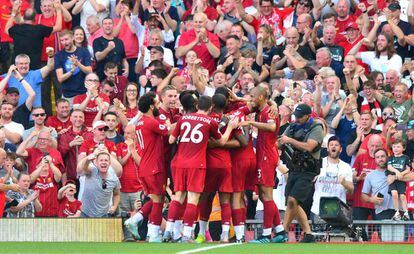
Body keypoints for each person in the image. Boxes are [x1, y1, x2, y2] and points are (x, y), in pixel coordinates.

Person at [163, 96, 237, 243]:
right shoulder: (210, 122)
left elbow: (171, 140)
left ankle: (168, 232)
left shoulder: (183, 119)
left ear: (197, 106)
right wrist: (230, 127)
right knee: (193, 199)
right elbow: (221, 141)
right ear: (210, 108)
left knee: (178, 197)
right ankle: (186, 235)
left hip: (178, 162)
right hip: (196, 163)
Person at [278, 103, 324, 243]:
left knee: (292, 200)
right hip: (294, 168)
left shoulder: (316, 128)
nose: (296, 119)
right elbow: (280, 142)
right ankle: (309, 234)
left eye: (299, 117)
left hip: (308, 170)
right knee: (293, 203)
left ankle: (283, 232)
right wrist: (279, 143)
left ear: (308, 116)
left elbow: (310, 147)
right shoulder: (292, 126)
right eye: (295, 116)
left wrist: (289, 140)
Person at [311, 136, 354, 217]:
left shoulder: (346, 167)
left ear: (340, 149)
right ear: (327, 148)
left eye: (336, 145)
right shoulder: (318, 163)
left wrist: (344, 183)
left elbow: (351, 191)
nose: (333, 146)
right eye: (331, 145)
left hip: (338, 212)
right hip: (317, 210)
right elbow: (309, 181)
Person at [77, 150, 121, 218]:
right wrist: (87, 160)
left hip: (104, 215)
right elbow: (83, 169)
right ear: (96, 163)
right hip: (85, 213)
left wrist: (114, 206)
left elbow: (117, 194)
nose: (103, 162)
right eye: (101, 160)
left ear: (109, 163)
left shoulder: (114, 178)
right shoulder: (92, 171)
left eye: (106, 160)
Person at [55, 30, 92, 101]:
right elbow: (60, 78)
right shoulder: (58, 55)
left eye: (66, 39)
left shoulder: (84, 51)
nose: (64, 42)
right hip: (68, 95)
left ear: (73, 38)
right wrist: (72, 71)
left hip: (83, 93)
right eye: (62, 40)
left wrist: (78, 64)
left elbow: (89, 71)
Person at [361, 148, 395, 220]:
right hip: (381, 212)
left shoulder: (395, 171)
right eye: (378, 157)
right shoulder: (370, 175)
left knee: (400, 232)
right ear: (375, 160)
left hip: (398, 210)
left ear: (387, 157)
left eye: (382, 156)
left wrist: (396, 176)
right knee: (383, 232)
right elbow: (363, 195)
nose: (380, 159)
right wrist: (371, 199)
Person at [0, 65, 36, 129]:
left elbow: (32, 94)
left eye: (16, 95)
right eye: (11, 95)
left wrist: (20, 78)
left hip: (22, 137)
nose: (14, 97)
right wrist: (8, 75)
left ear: (19, 97)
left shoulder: (24, 109)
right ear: (5, 97)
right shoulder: (2, 109)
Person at [58, 109, 88, 183]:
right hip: (70, 175)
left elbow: (93, 152)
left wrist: (85, 144)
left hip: (87, 175)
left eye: (80, 117)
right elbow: (60, 155)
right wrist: (70, 144)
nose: (78, 119)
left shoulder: (89, 134)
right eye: (75, 117)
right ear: (70, 118)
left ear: (84, 119)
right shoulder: (64, 135)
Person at [29, 151, 62, 217]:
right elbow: (31, 180)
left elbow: (59, 177)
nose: (45, 164)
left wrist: (51, 163)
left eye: (47, 162)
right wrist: (41, 166)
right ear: (37, 166)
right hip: (37, 214)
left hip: (52, 213)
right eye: (41, 162)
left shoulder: (53, 175)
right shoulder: (35, 176)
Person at [386, 139, 411, 220]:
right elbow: (389, 167)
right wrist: (397, 172)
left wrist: (402, 174)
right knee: (394, 194)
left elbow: (408, 169)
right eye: (394, 147)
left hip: (401, 180)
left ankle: (406, 212)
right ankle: (396, 212)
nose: (395, 148)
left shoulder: (406, 157)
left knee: (402, 196)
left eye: (398, 147)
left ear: (403, 148)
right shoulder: (390, 157)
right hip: (393, 179)